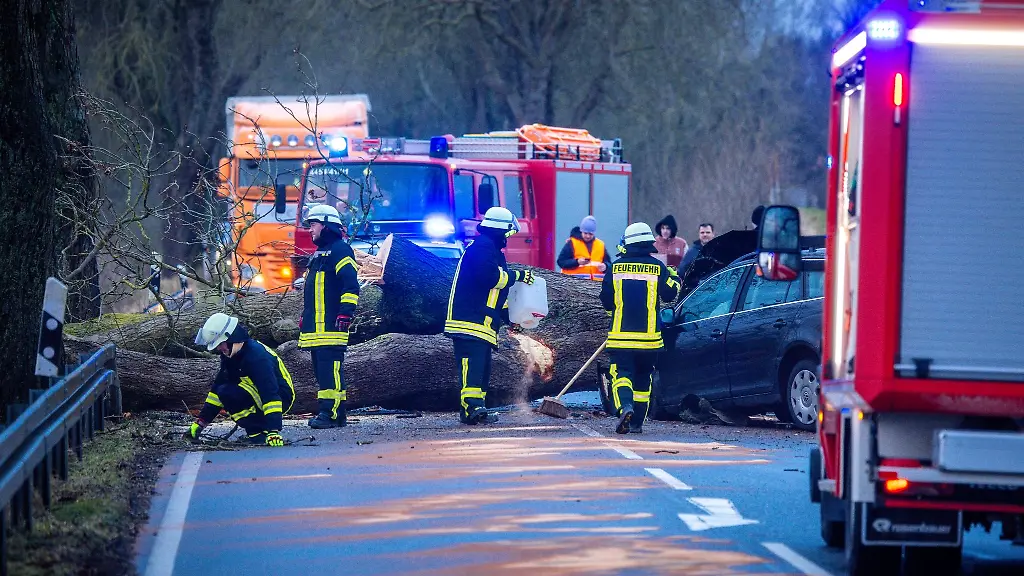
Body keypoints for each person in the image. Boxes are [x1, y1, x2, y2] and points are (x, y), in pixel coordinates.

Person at [445, 206, 535, 425]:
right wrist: (518, 275)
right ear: (499, 230)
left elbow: (497, 294)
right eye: (507, 233)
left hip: (481, 324)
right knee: (472, 369)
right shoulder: (482, 248)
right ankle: (472, 409)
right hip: (469, 323)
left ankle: (476, 410)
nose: (508, 238)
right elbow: (490, 278)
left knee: (480, 371)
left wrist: (510, 318)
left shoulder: (490, 250)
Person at [600, 222, 680, 435]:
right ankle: (636, 423)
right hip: (650, 339)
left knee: (621, 374)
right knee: (644, 380)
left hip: (621, 338)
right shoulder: (658, 268)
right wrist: (674, 278)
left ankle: (624, 407)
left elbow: (607, 301)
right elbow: (671, 294)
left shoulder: (614, 268)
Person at [187, 313, 295, 446]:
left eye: (221, 344)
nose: (219, 349)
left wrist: (273, 430)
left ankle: (262, 432)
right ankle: (256, 433)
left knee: (230, 393)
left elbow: (270, 392)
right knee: (225, 390)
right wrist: (201, 422)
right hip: (258, 393)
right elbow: (217, 389)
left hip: (280, 397)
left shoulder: (257, 357)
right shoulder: (230, 354)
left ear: (231, 337)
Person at [298, 204, 361, 429]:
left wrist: (345, 313)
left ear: (326, 225)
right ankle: (332, 412)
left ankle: (331, 413)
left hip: (331, 326)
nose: (310, 230)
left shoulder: (341, 250)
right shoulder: (318, 255)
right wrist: (306, 317)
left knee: (330, 374)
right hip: (316, 327)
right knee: (323, 375)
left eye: (313, 225)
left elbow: (351, 286)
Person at [557, 215, 611, 281]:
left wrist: (605, 266)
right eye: (585, 233)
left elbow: (609, 263)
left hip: (595, 285)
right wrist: (577, 262)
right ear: (581, 231)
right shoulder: (572, 243)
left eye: (590, 234)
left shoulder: (600, 245)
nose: (588, 236)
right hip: (574, 284)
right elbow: (561, 262)